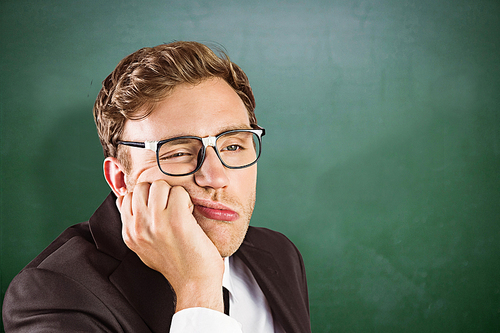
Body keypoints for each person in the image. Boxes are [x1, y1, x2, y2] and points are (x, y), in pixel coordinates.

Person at [2, 41, 311, 333]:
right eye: (177, 153)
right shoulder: (53, 295)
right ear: (121, 179)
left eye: (233, 146)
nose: (217, 178)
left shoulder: (278, 254)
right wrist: (198, 288)